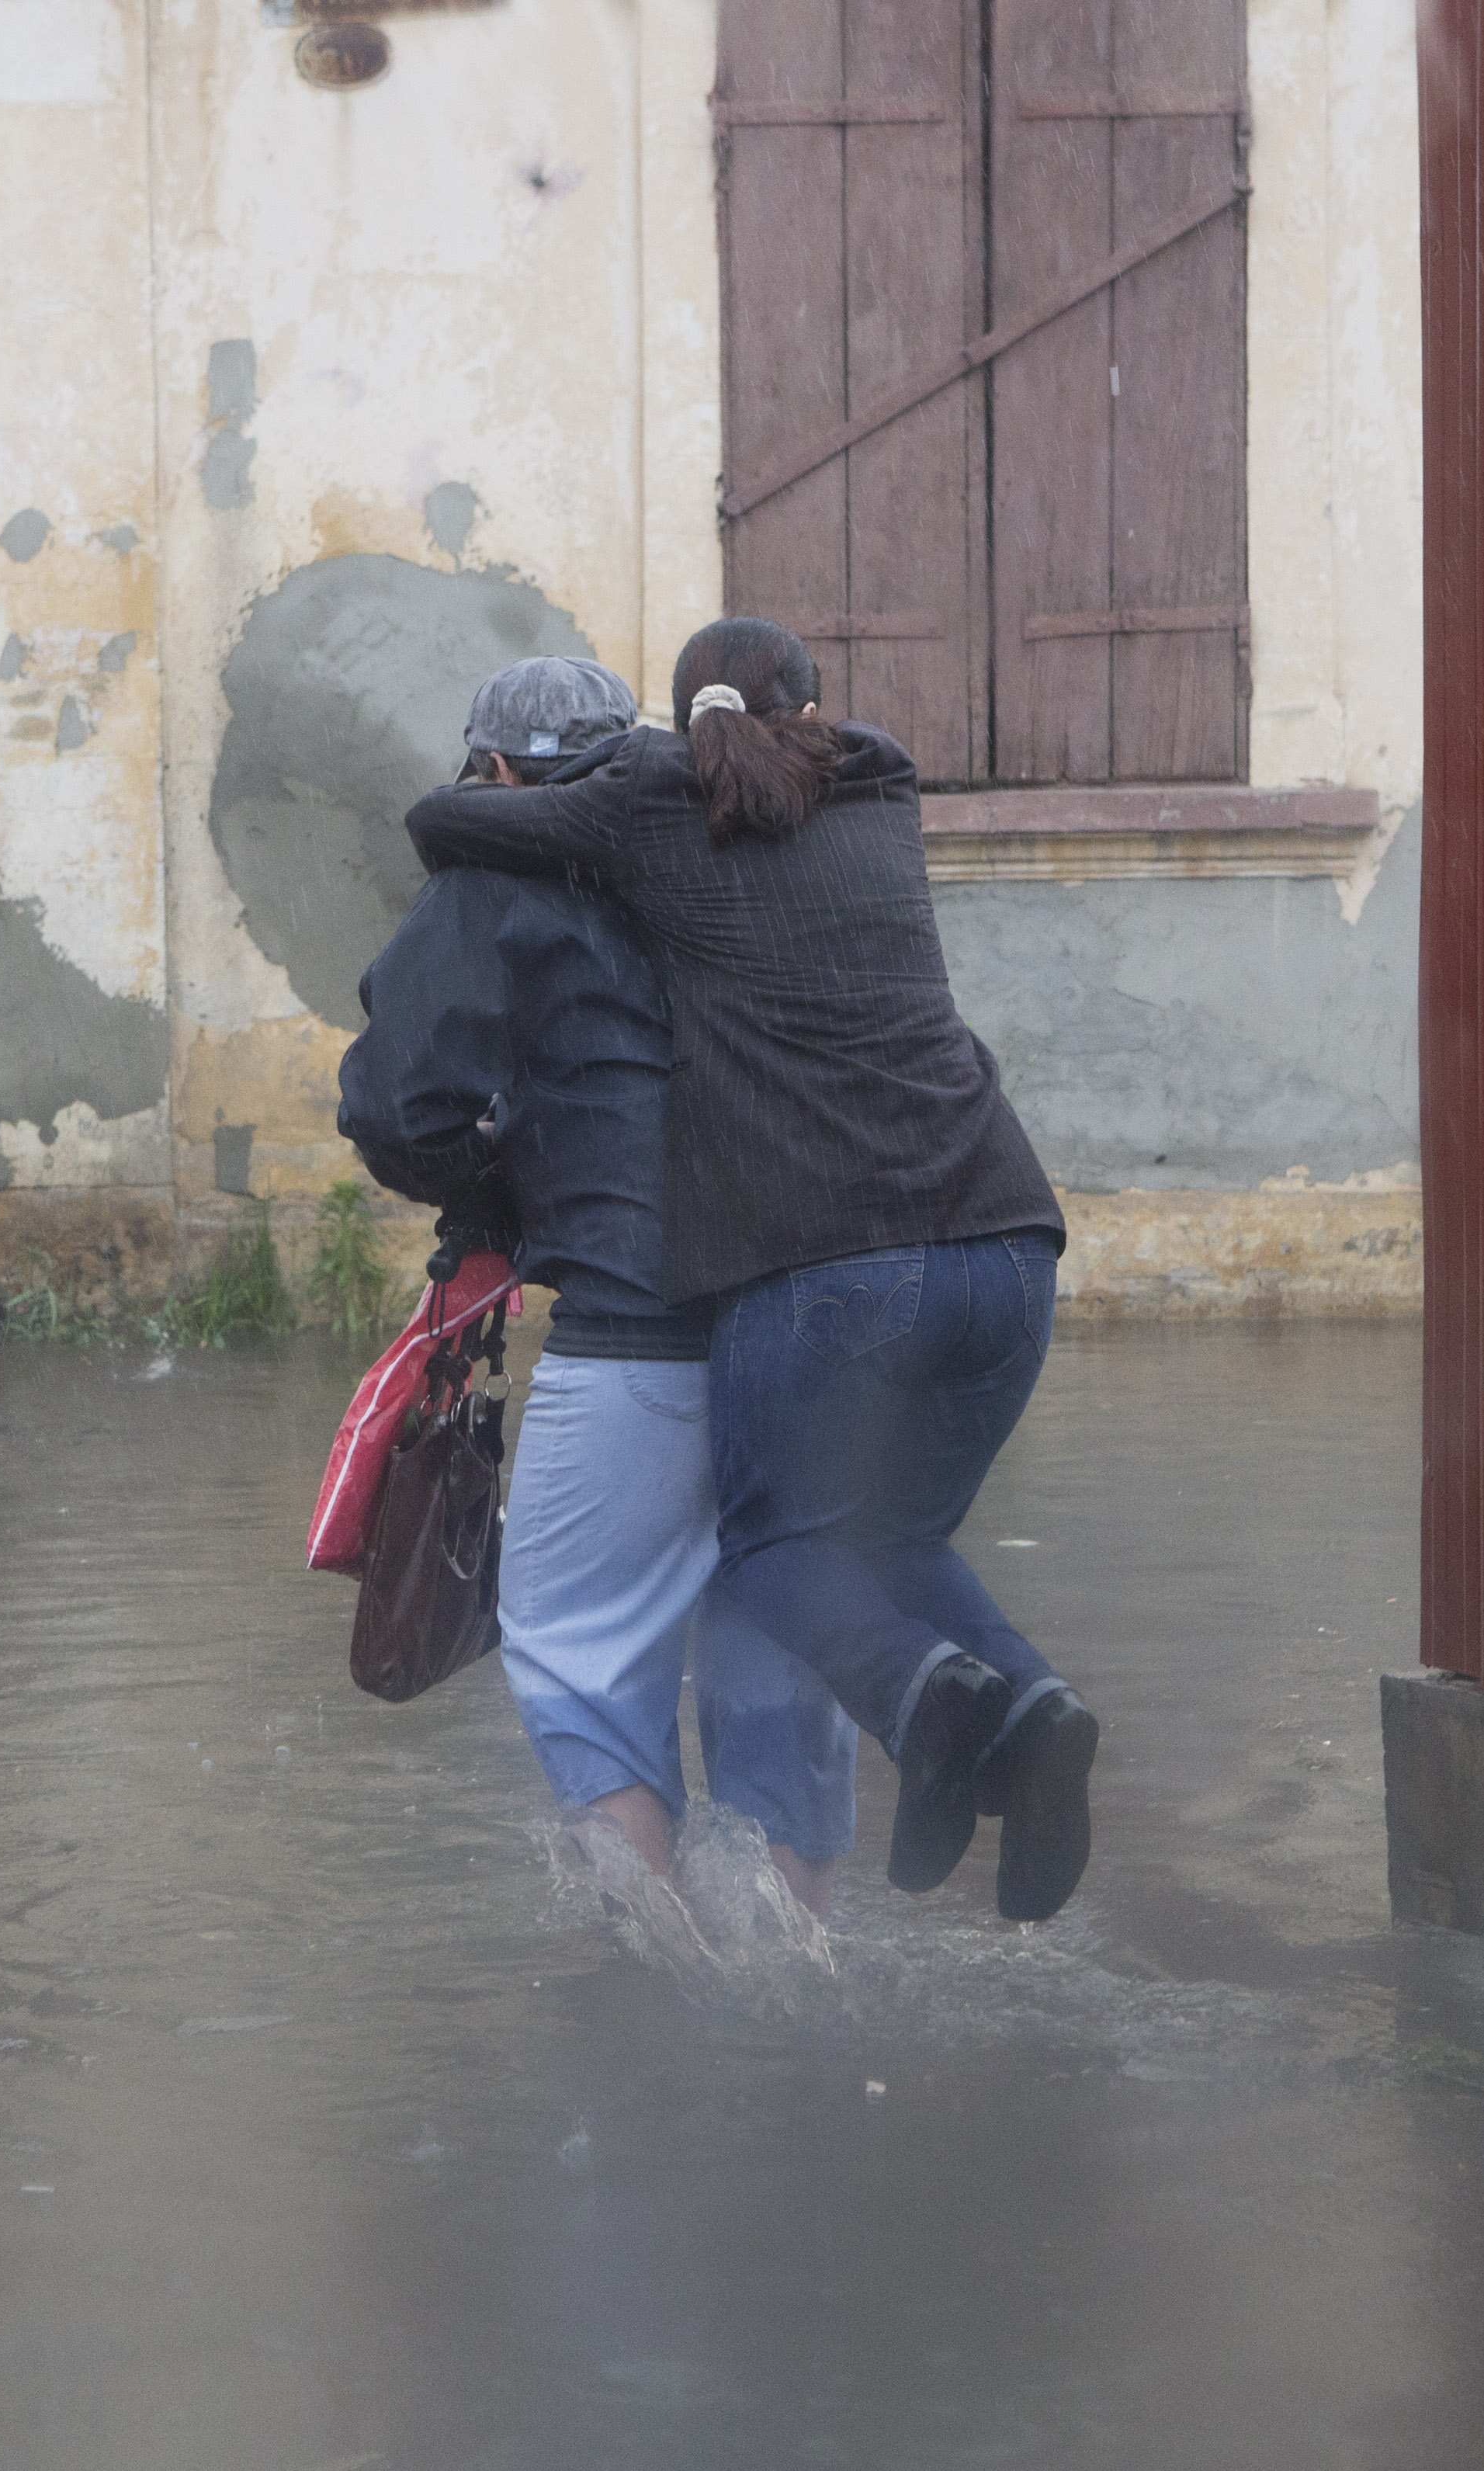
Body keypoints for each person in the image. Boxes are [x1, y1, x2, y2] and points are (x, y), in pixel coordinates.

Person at [398, 618, 1097, 1924]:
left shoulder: (634, 829)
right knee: (872, 1547)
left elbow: (453, 853)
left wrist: (495, 1195)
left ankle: (692, 1947)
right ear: (817, 718)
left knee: (734, 1575)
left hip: (803, 1276)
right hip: (1007, 1243)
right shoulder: (877, 794)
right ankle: (1003, 1730)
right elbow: (838, 750)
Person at [339, 655, 858, 1929]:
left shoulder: (492, 882)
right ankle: (800, 1991)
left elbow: (397, 1106)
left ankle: (662, 2005)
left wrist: (502, 1198)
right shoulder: (728, 856)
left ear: (497, 777)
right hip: (817, 1323)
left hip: (638, 1335)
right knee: (778, 1649)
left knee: (578, 1650)